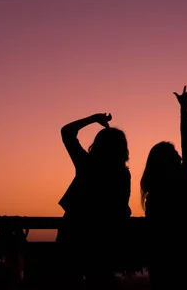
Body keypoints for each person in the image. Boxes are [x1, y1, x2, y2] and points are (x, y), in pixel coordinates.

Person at [140, 86, 187, 289]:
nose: (180, 156)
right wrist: (184, 108)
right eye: (174, 155)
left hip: (162, 257)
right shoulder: (186, 177)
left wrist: (184, 109)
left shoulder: (154, 191)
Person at [57, 113, 131, 290]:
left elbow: (67, 132)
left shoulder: (86, 164)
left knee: (69, 280)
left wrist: (93, 119)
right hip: (104, 239)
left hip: (74, 233)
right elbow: (121, 209)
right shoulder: (122, 174)